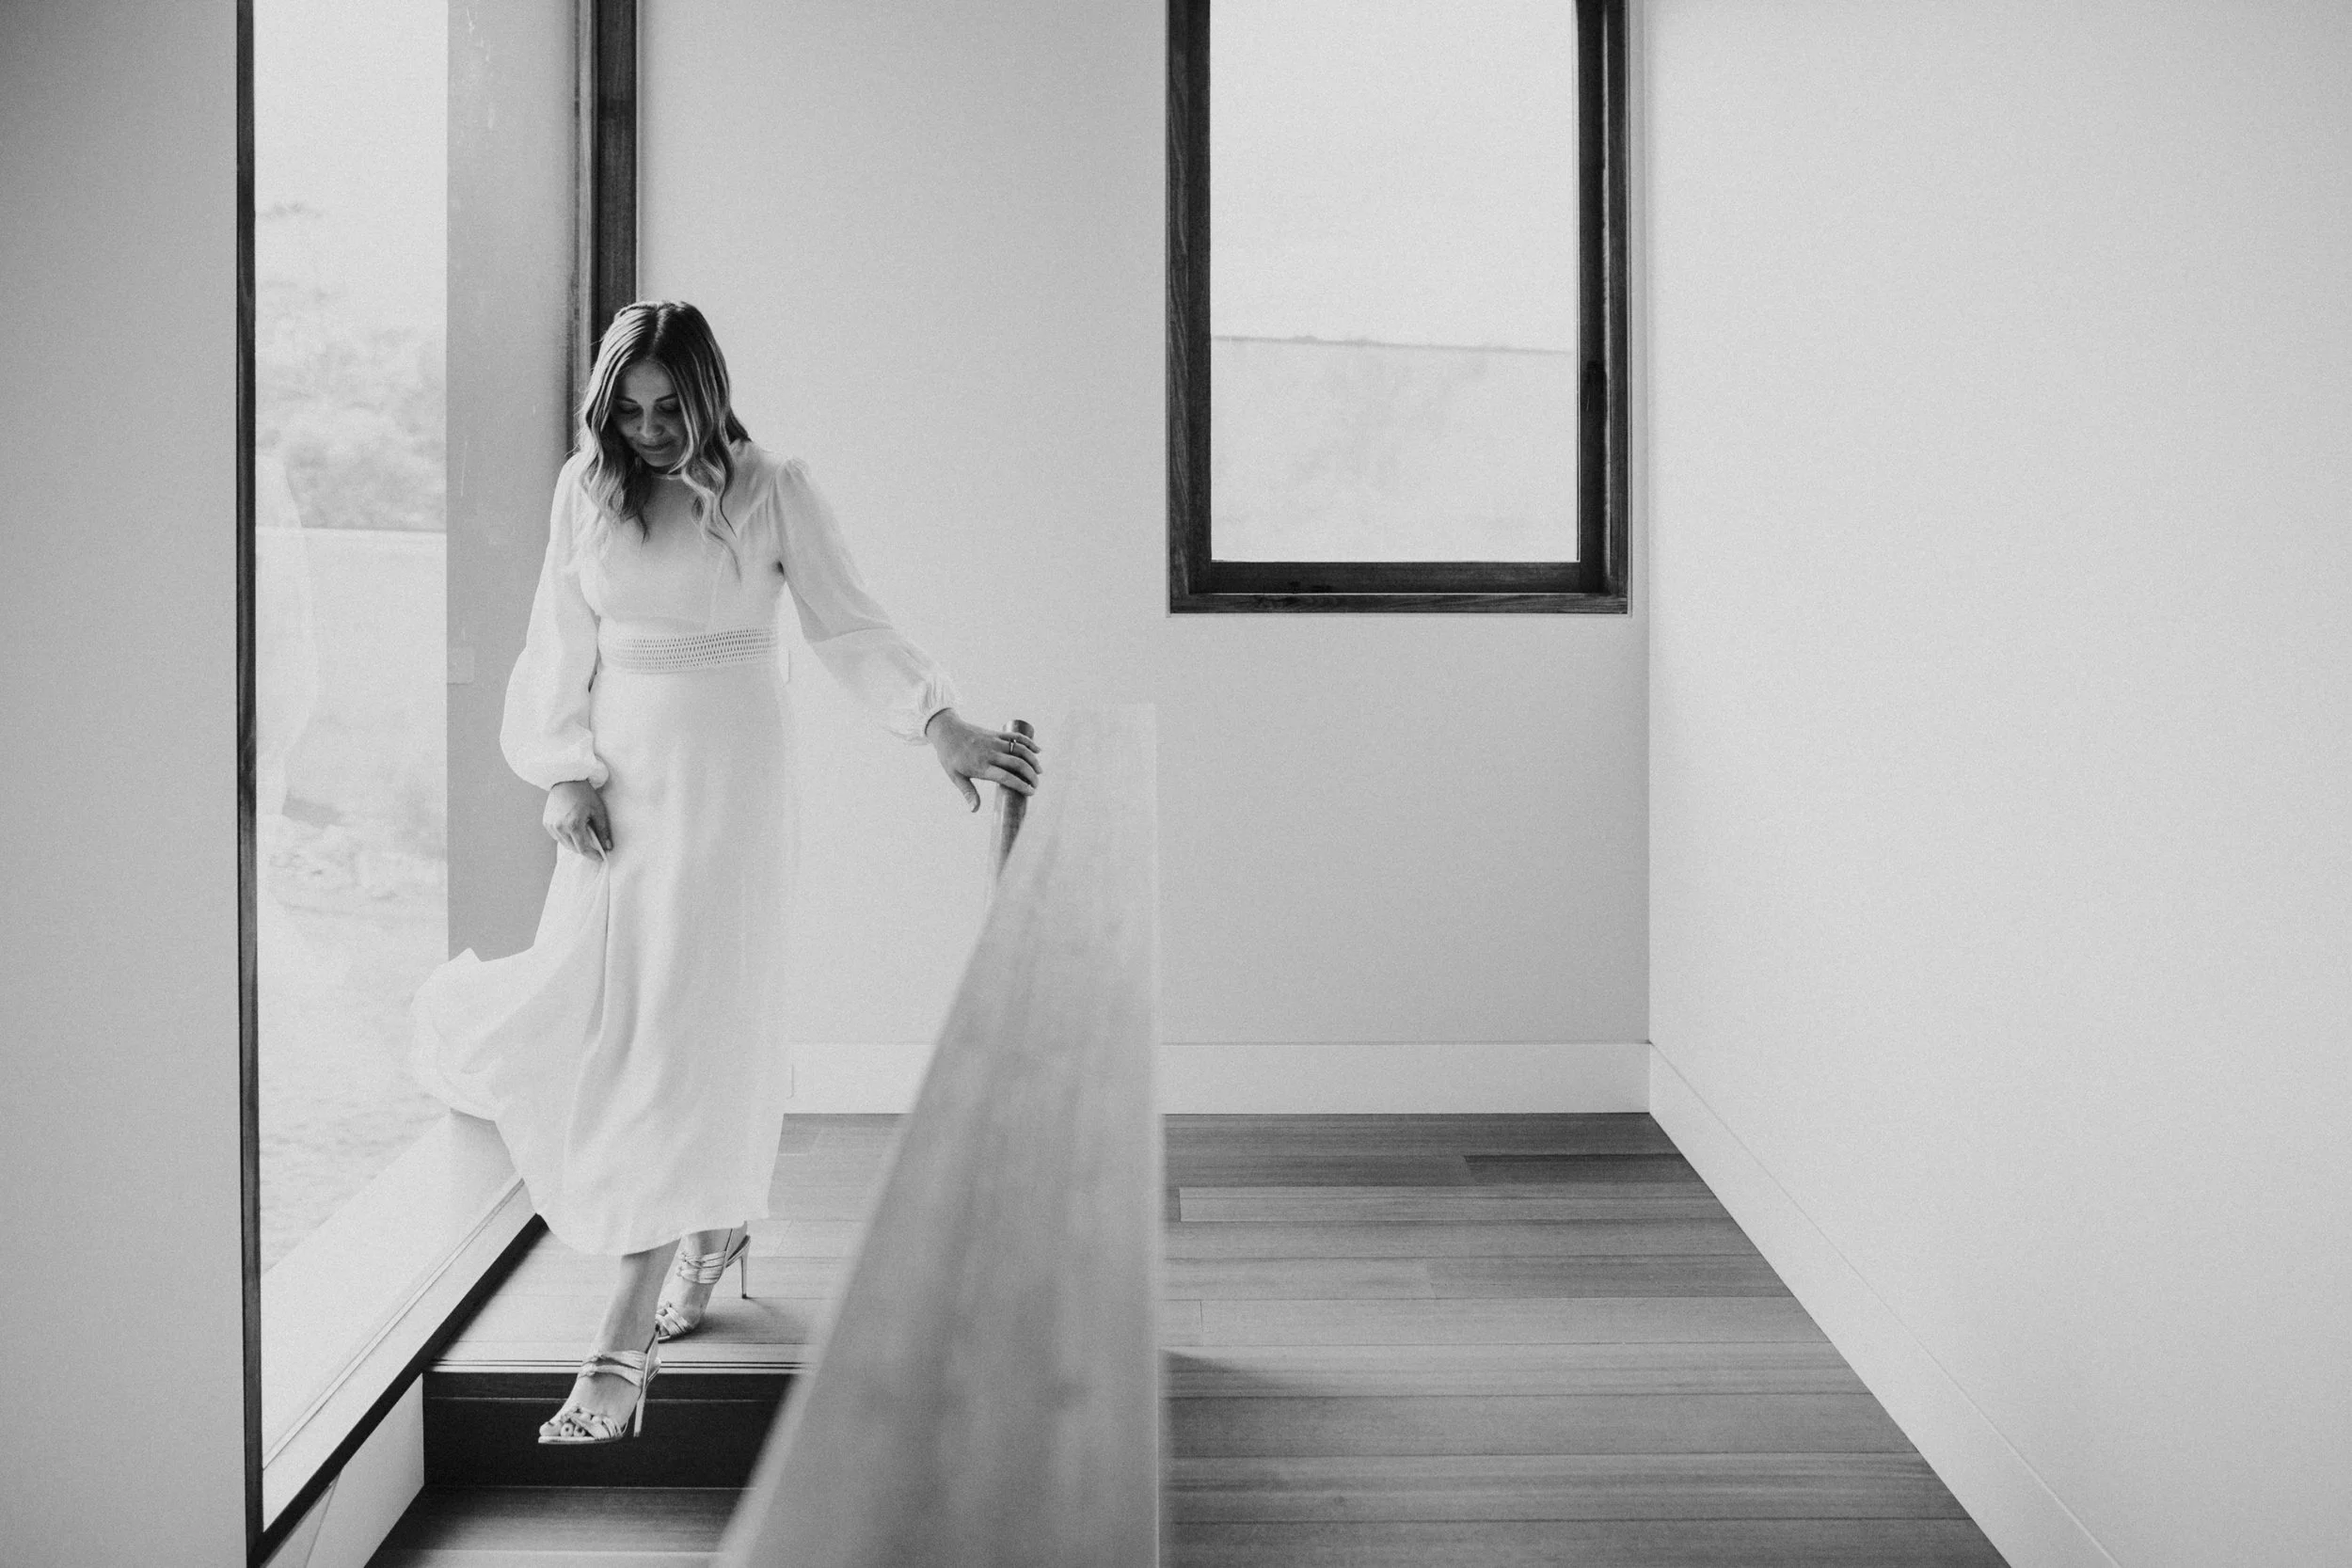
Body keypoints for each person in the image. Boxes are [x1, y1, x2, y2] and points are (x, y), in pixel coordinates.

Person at [408, 300, 1041, 1445]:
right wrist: (562, 771)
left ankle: (621, 1325)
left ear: (707, 393)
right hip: (623, 785)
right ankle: (710, 1223)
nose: (649, 430)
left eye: (669, 407)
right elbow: (557, 639)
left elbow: (850, 625)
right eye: (630, 409)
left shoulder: (772, 485)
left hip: (732, 783)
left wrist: (938, 721)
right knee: (608, 1015)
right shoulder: (582, 490)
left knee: (692, 1025)